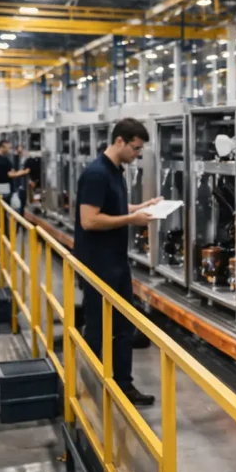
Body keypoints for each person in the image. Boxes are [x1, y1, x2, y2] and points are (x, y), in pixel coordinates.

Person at [74, 118, 161, 407]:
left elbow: (113, 208)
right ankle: (94, 385)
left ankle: (123, 384)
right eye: (136, 148)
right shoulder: (97, 173)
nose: (138, 154)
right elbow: (89, 220)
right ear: (120, 141)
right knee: (99, 327)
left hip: (115, 261)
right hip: (98, 264)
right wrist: (131, 220)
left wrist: (142, 207)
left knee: (123, 325)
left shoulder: (115, 171)